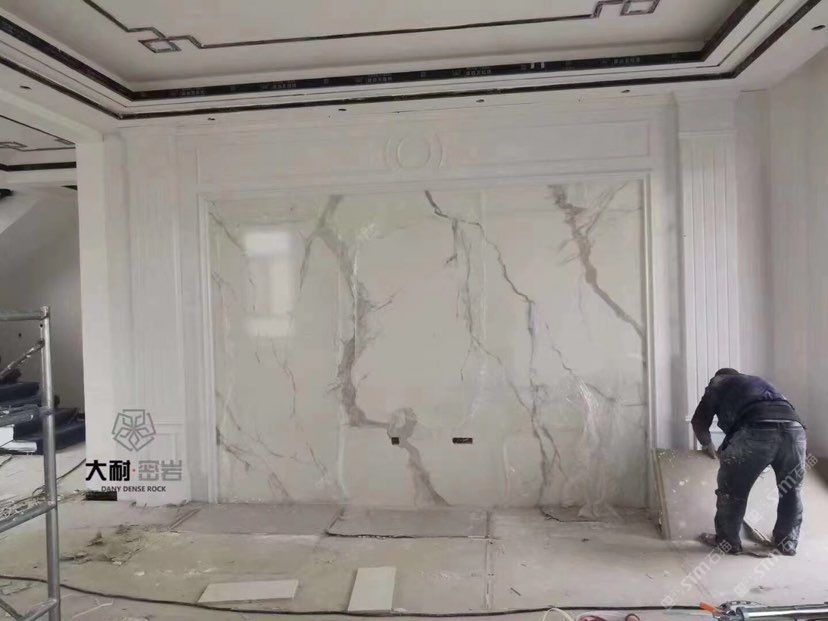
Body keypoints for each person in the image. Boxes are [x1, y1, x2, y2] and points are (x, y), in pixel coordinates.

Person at [691, 368, 806, 556]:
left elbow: (699, 421)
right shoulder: (759, 382)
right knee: (791, 490)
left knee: (732, 491)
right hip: (795, 431)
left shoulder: (718, 382)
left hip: (756, 429)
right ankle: (787, 543)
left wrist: (707, 445)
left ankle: (727, 542)